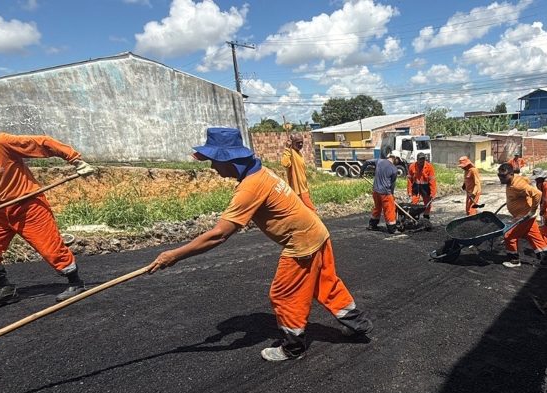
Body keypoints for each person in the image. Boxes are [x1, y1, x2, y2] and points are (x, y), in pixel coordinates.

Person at [147, 128, 372, 361]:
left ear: (227, 159)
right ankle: (358, 323)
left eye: (214, 161)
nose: (213, 168)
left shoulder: (250, 187)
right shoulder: (261, 171)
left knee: (284, 294)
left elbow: (219, 235)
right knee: (326, 284)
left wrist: (173, 255)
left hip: (302, 243)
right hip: (317, 231)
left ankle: (293, 347)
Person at [0, 122, 95, 310]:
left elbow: (42, 142)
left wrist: (75, 160)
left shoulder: (0, 142)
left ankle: (76, 283)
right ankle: (4, 289)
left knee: (50, 247)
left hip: (28, 205)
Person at [497, 163, 547, 269]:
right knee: (535, 238)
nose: (501, 178)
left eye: (503, 176)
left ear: (511, 174)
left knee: (509, 236)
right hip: (526, 216)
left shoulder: (518, 185)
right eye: (499, 175)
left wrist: (532, 211)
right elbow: (525, 180)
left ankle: (514, 260)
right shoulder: (514, 180)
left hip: (525, 216)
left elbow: (537, 194)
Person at [360, 154, 400, 233]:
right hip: (385, 193)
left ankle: (372, 225)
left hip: (375, 191)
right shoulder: (394, 169)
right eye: (398, 160)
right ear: (395, 158)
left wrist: (361, 172)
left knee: (377, 208)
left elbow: (367, 162)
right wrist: (391, 195)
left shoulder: (379, 161)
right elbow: (392, 185)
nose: (398, 162)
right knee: (390, 210)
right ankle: (392, 229)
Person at [281, 132, 317, 212]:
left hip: (304, 188)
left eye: (302, 142)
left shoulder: (299, 153)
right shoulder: (291, 152)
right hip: (298, 190)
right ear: (292, 142)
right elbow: (285, 163)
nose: (300, 144)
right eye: (298, 142)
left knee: (304, 212)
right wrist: (287, 148)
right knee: (312, 212)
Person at [407, 152, 436, 222]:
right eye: (420, 159)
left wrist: (433, 193)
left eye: (423, 159)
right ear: (417, 159)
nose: (422, 161)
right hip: (416, 187)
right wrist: (409, 191)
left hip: (425, 187)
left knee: (428, 203)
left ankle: (426, 217)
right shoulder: (412, 166)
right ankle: (413, 217)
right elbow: (409, 180)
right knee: (413, 202)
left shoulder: (429, 167)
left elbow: (432, 181)